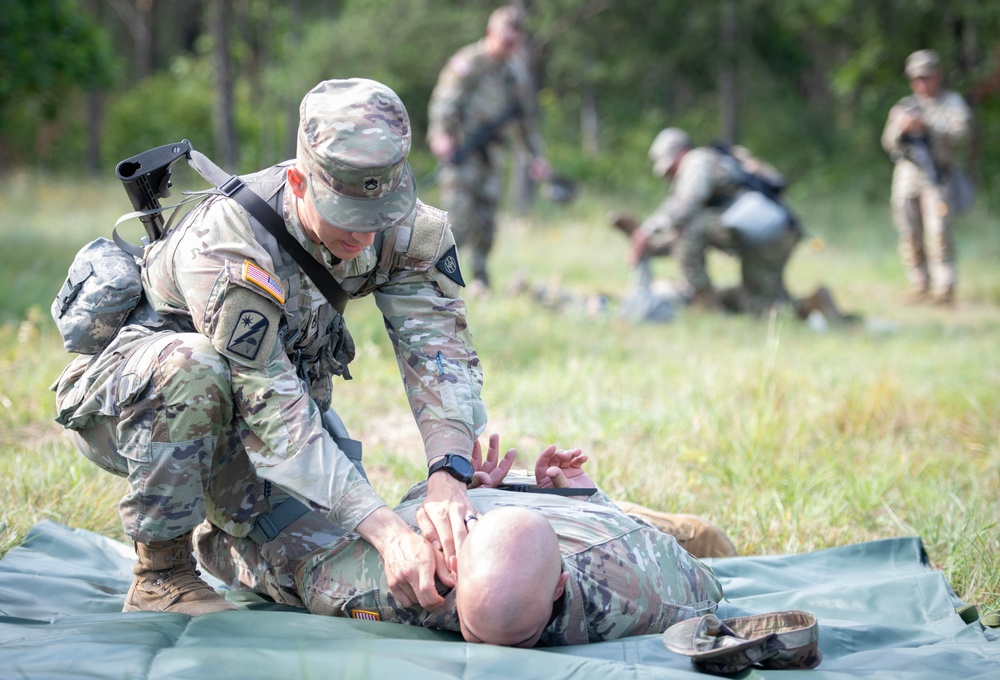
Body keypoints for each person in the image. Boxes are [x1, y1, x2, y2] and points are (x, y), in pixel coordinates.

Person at [50, 78, 490, 617]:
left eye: (381, 217)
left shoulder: (409, 231)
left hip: (259, 419)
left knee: (337, 564)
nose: (367, 238)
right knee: (194, 365)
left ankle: (230, 536)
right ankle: (161, 573)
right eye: (348, 219)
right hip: (142, 407)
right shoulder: (228, 240)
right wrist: (383, 526)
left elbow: (439, 355)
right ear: (300, 183)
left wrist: (449, 472)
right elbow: (272, 402)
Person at [194, 436, 732, 647]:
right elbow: (699, 579)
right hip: (593, 527)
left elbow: (279, 565)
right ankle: (552, 501)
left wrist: (210, 543)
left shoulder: (393, 588)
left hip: (571, 532)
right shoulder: (653, 588)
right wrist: (578, 498)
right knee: (663, 534)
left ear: (452, 566)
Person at [626, 128, 853, 323]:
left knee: (692, 228)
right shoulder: (719, 162)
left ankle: (705, 302)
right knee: (762, 304)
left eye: (669, 168)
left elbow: (687, 206)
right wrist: (652, 246)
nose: (669, 176)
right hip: (775, 234)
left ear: (680, 152)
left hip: (766, 237)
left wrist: (645, 232)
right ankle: (812, 304)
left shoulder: (697, 161)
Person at [427, 5, 550, 295]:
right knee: (458, 218)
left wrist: (535, 157)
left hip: (492, 156)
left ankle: (481, 278)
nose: (509, 48)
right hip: (464, 152)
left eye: (514, 43)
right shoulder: (468, 62)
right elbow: (445, 102)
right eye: (505, 41)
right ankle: (443, 280)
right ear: (490, 33)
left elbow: (525, 120)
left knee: (487, 220)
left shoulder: (515, 73)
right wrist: (441, 136)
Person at [881, 49, 973, 305]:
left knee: (939, 232)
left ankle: (945, 287)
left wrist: (928, 127)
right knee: (909, 233)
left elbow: (962, 132)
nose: (921, 83)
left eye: (926, 77)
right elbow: (888, 143)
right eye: (916, 78)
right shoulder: (904, 106)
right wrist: (903, 128)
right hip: (908, 177)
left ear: (938, 76)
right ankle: (919, 284)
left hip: (938, 177)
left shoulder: (951, 103)